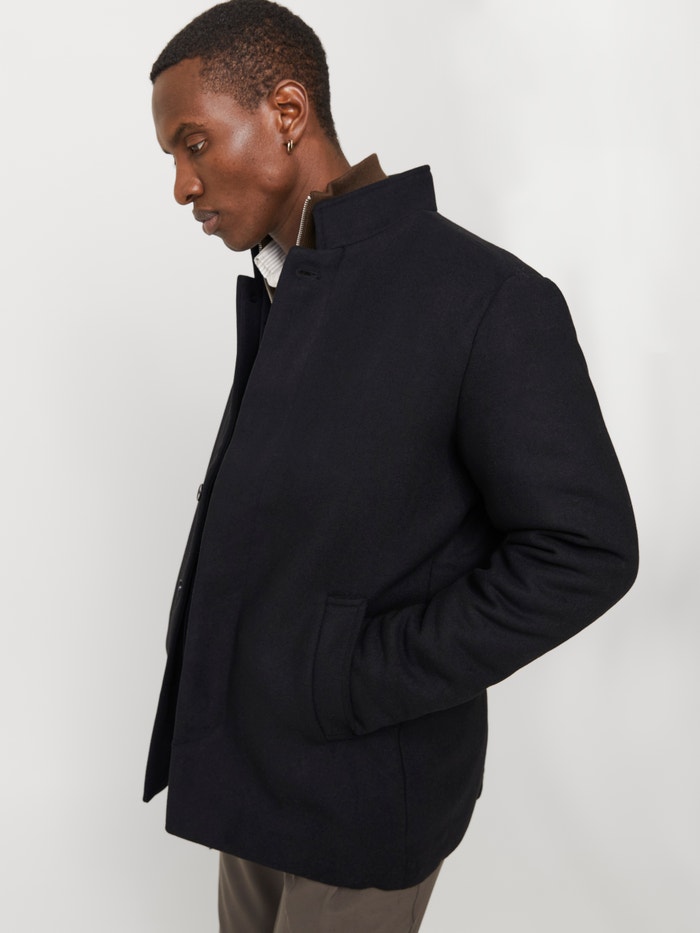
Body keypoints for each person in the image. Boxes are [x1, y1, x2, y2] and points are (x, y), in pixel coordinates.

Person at [143, 2, 639, 930]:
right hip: (250, 782)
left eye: (194, 143)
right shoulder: (296, 285)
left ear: (287, 113)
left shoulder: (488, 299)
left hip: (360, 801)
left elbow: (586, 549)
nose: (181, 185)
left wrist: (354, 676)